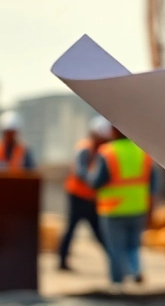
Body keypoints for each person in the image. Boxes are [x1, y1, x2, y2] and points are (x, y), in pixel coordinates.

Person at [90, 125, 159, 288]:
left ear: (114, 131)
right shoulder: (143, 151)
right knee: (133, 245)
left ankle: (117, 283)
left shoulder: (108, 152)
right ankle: (135, 271)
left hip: (113, 208)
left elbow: (96, 181)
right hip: (138, 206)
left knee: (116, 248)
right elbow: (154, 183)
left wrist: (88, 174)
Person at [57, 115, 112, 272]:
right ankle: (62, 260)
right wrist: (94, 181)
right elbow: (80, 171)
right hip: (77, 196)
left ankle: (115, 261)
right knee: (71, 228)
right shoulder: (84, 149)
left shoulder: (104, 151)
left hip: (92, 198)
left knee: (99, 231)